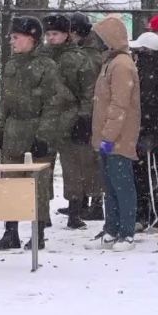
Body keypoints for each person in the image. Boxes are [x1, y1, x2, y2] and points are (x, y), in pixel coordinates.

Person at [0, 16, 74, 251]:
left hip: (36, 129)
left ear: (31, 39)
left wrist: (44, 136)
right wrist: (0, 129)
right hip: (13, 132)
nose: (12, 42)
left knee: (37, 185)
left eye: (16, 37)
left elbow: (54, 103)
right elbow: (4, 101)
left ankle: (38, 233)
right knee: (10, 183)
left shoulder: (46, 66)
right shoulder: (11, 64)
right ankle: (11, 231)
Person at [85, 16, 142, 251]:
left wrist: (108, 136)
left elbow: (120, 105)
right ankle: (111, 229)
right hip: (107, 137)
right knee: (110, 187)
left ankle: (126, 233)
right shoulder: (110, 62)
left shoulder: (122, 65)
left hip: (119, 138)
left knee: (122, 187)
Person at [40, 13, 100, 231]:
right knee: (43, 167)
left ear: (66, 35)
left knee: (74, 168)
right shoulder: (41, 57)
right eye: (48, 34)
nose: (51, 38)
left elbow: (88, 90)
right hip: (46, 119)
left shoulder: (78, 58)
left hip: (70, 118)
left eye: (55, 33)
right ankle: (42, 213)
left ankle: (75, 211)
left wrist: (84, 117)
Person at [128, 31, 158, 233]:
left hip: (150, 132)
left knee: (152, 174)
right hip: (147, 130)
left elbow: (150, 106)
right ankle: (146, 215)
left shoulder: (151, 73)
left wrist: (148, 131)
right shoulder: (152, 71)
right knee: (143, 174)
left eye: (139, 51)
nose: (136, 55)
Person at [71, 12, 106, 221]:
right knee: (84, 160)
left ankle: (95, 202)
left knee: (90, 160)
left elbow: (90, 88)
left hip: (90, 113)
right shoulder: (88, 50)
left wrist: (84, 115)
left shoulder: (90, 54)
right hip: (87, 112)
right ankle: (86, 200)